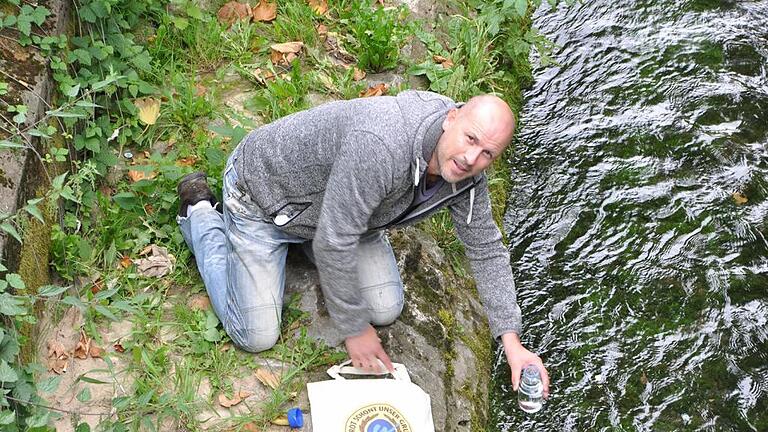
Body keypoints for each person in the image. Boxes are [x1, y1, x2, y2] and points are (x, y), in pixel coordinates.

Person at [176, 90, 549, 396]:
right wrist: (355, 330)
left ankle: (308, 241)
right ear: (452, 117)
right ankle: (202, 212)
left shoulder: (468, 178)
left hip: (338, 214)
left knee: (386, 307)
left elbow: (486, 249)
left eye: (488, 154)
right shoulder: (383, 144)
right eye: (471, 140)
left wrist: (511, 342)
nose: (471, 159)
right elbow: (335, 241)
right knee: (256, 335)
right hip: (264, 197)